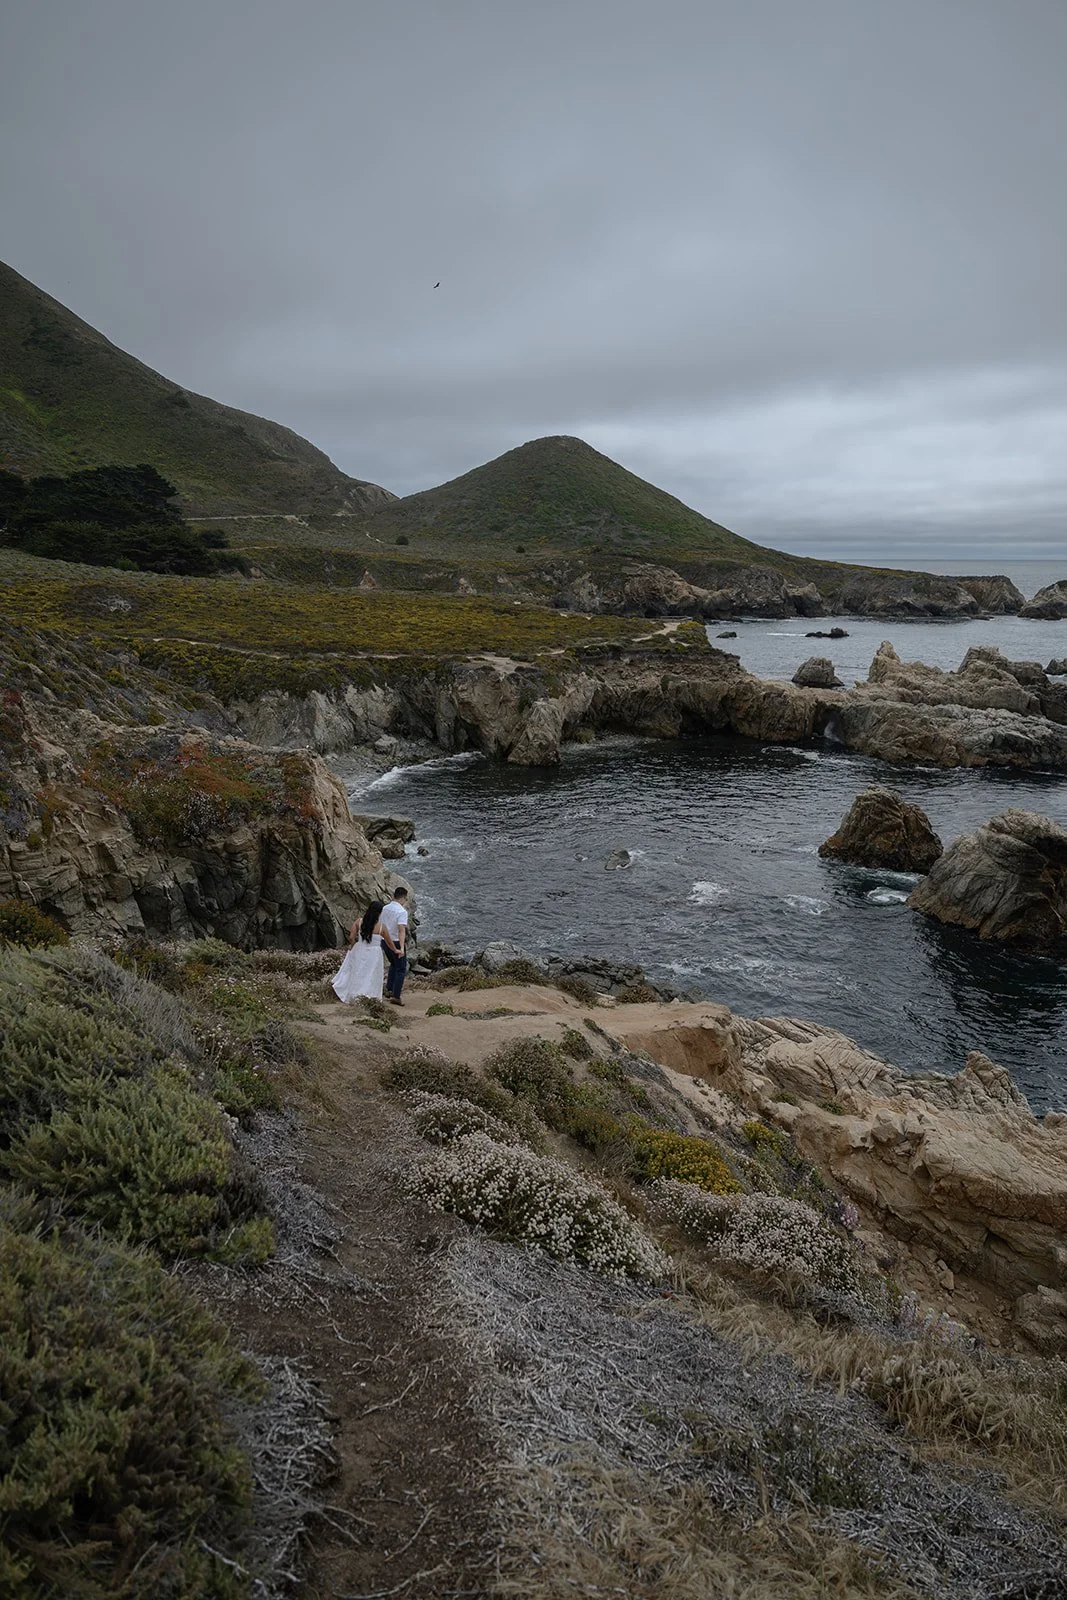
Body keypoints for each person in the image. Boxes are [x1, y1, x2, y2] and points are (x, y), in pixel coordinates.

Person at [331, 900, 385, 1003]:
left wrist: (353, 946)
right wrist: (397, 950)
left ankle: (353, 994)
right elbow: (389, 942)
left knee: (357, 972)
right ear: (379, 913)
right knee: (371, 974)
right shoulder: (381, 927)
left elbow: (351, 937)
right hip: (374, 953)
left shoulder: (359, 922)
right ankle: (369, 995)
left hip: (360, 949)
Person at [379, 885, 410, 1006]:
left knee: (393, 964)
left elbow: (381, 924)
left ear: (394, 896)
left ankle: (389, 988)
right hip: (396, 941)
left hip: (384, 940)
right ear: (403, 898)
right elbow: (401, 930)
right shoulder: (402, 911)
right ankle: (396, 996)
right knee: (401, 969)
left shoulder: (385, 908)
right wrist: (401, 948)